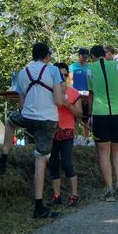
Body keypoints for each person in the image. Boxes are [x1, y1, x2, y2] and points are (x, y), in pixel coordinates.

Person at [0, 43, 64, 218]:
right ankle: (38, 207)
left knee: (10, 121)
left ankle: (3, 157)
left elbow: (21, 103)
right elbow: (58, 101)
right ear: (47, 56)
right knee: (40, 160)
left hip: (28, 116)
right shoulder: (53, 71)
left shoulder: (23, 72)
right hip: (48, 120)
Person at [87, 45, 118, 201]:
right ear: (105, 54)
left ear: (92, 56)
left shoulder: (90, 69)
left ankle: (109, 190)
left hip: (100, 113)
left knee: (103, 153)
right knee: (117, 151)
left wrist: (90, 115)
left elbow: (90, 95)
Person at [50, 63, 83, 207]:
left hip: (67, 130)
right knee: (53, 163)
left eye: (65, 75)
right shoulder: (49, 90)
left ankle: (74, 194)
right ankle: (56, 195)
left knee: (67, 162)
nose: (62, 78)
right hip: (51, 130)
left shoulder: (74, 92)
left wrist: (68, 105)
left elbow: (80, 114)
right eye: (59, 75)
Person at [68, 48, 90, 143]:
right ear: (79, 56)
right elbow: (69, 80)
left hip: (86, 94)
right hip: (76, 94)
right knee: (76, 117)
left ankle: (86, 138)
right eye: (83, 57)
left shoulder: (89, 67)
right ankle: (75, 136)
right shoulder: (73, 66)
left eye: (86, 57)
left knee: (86, 117)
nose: (85, 59)